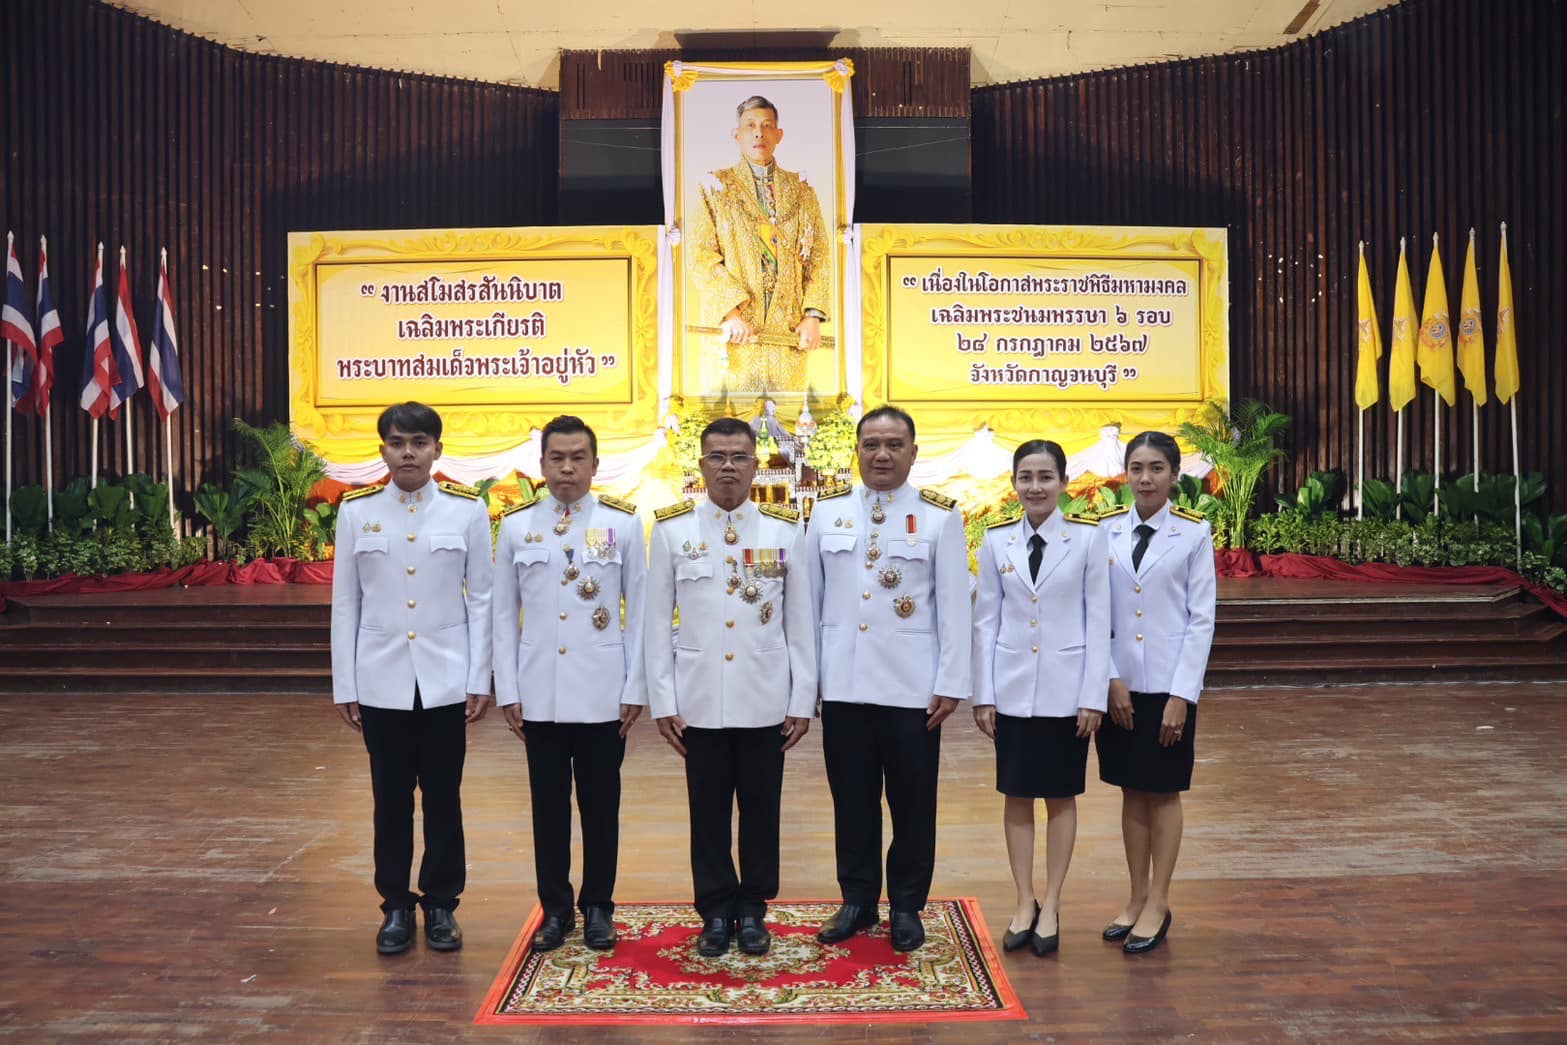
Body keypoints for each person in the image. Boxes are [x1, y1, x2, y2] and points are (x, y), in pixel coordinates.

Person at [644, 417, 816, 957]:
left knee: (763, 809)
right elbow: (655, 623)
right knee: (708, 810)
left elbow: (800, 622)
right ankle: (715, 909)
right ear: (700, 466)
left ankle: (753, 908)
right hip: (699, 699)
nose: (727, 467)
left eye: (739, 457)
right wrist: (663, 700)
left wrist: (801, 697)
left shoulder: (784, 530)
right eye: (717, 457)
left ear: (755, 464)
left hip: (765, 696)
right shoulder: (672, 531)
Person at [804, 405, 972, 952]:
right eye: (871, 444)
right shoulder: (826, 516)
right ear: (856, 450)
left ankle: (905, 905)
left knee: (912, 802)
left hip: (911, 688)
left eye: (894, 445)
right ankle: (856, 900)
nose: (882, 454)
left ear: (913, 453)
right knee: (851, 799)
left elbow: (953, 606)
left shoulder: (940, 517)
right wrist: (809, 685)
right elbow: (810, 606)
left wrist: (950, 681)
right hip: (846, 685)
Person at [330, 402, 493, 955]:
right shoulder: (356, 513)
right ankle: (396, 905)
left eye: (419, 442)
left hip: (446, 680)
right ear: (382, 451)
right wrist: (345, 685)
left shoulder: (466, 512)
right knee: (390, 798)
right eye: (397, 442)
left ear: (437, 451)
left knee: (444, 797)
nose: (408, 452)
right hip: (381, 680)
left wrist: (479, 675)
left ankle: (442, 904)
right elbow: (345, 603)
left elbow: (484, 598)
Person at [492, 415, 647, 954]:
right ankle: (555, 909)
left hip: (604, 692)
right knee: (548, 807)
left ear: (595, 465)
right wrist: (508, 690)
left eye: (578, 457)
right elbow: (502, 614)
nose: (567, 467)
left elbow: (640, 613)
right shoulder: (516, 527)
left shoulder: (623, 524)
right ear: (541, 466)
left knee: (602, 807)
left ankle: (599, 906)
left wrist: (635, 687)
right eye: (556, 457)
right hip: (540, 693)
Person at [972, 440, 1110, 957]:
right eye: (1026, 477)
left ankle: (1052, 901)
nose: (1035, 486)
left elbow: (1100, 621)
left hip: (1066, 690)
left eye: (1045, 477)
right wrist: (983, 694)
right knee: (1016, 794)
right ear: (1014, 484)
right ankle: (1023, 899)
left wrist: (1093, 695)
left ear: (1063, 483)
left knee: (1060, 796)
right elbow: (985, 622)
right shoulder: (996, 542)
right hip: (1010, 691)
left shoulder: (1088, 541)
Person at [1094, 430, 1217, 955]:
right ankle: (1136, 895)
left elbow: (1201, 620)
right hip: (1119, 688)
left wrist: (1181, 696)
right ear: (1126, 474)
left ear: (1173, 476)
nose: (1145, 478)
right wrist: (1108, 678)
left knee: (1163, 791)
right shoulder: (1101, 533)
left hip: (1168, 687)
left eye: (1157, 468)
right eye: (1137, 468)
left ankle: (1160, 901)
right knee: (1130, 790)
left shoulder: (1192, 534)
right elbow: (1092, 615)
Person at [687, 95, 831, 392]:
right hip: (738, 329)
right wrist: (730, 312)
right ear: (736, 135)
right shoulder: (715, 187)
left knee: (788, 423)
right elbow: (700, 256)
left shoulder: (802, 190)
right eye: (750, 125)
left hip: (788, 328)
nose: (758, 133)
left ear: (779, 135)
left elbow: (819, 256)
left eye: (767, 126)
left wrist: (812, 316)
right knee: (733, 426)